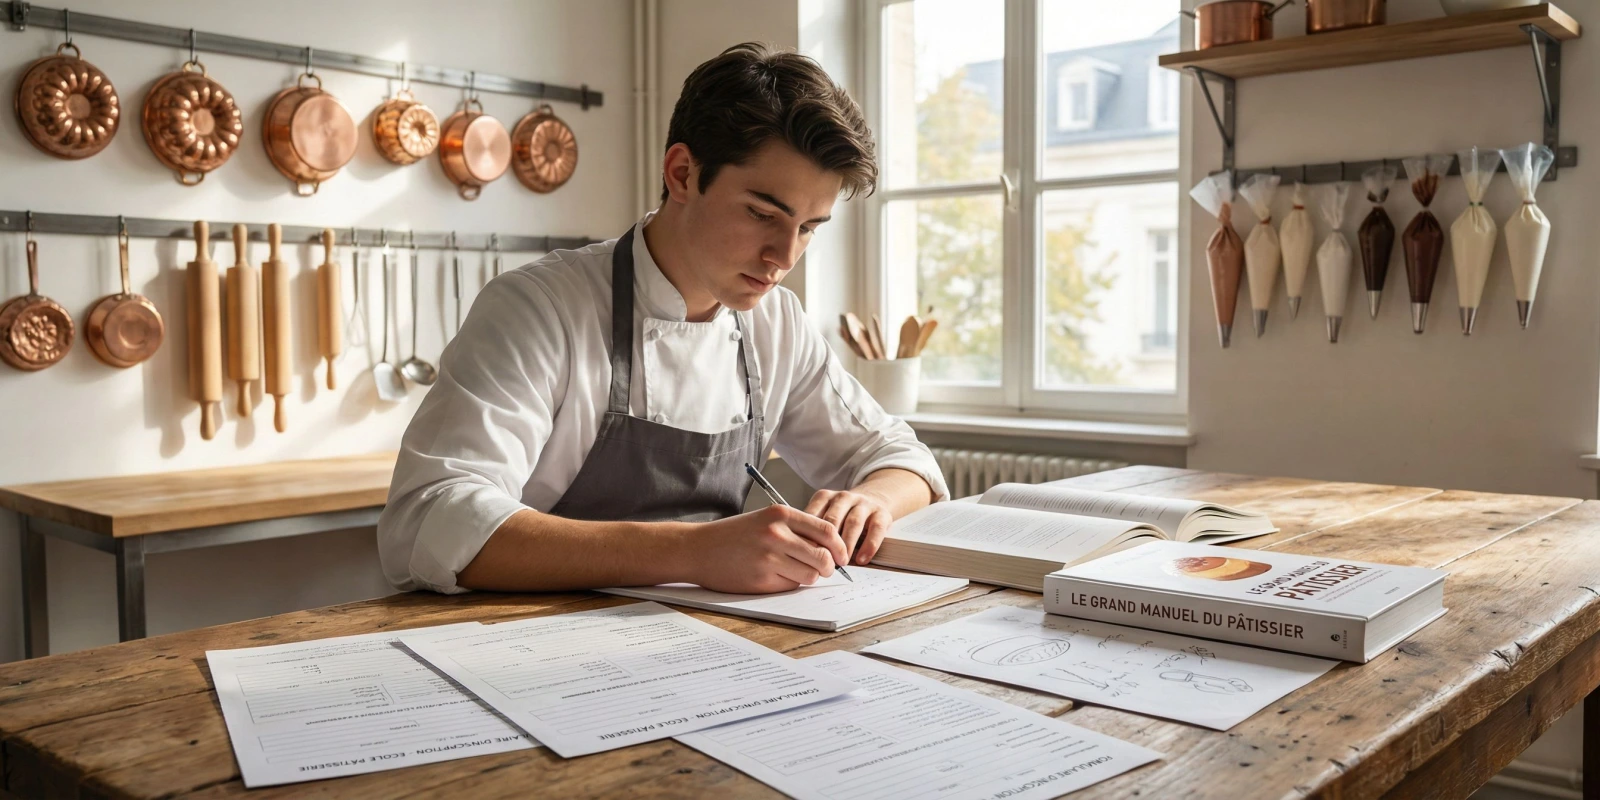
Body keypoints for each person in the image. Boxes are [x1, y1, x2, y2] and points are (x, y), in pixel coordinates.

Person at [377, 42, 948, 596]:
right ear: (681, 173)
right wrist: (695, 552)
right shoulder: (537, 309)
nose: (785, 257)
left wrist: (872, 499)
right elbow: (432, 517)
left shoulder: (779, 325)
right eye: (761, 213)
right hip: (531, 649)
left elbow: (902, 461)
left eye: (808, 228)